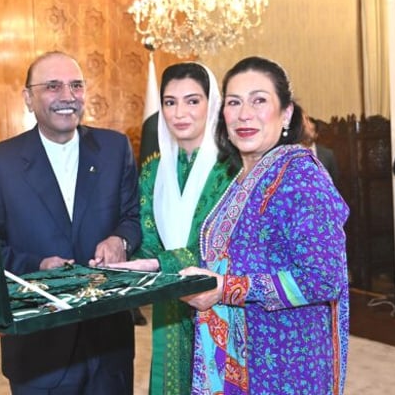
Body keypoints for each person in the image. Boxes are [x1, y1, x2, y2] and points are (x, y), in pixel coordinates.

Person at [179, 56, 349, 394]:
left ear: (286, 113)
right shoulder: (240, 179)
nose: (244, 114)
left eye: (259, 100)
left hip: (287, 366)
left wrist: (226, 288)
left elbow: (323, 279)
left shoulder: (301, 177)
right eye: (234, 102)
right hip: (241, 358)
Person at [0, 51, 141, 394]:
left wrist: (120, 241)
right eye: (52, 86)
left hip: (108, 343)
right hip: (39, 346)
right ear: (28, 98)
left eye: (76, 85)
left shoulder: (115, 148)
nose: (67, 96)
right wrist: (37, 265)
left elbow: (131, 217)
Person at [99, 62, 235, 394]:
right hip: (167, 304)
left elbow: (228, 247)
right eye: (170, 102)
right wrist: (117, 252)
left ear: (212, 104)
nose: (179, 112)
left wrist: (162, 263)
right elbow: (147, 242)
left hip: (221, 303)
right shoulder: (153, 171)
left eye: (192, 101)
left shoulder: (232, 169)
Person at [301, 109, 339, 184]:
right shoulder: (293, 153)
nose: (308, 134)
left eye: (311, 130)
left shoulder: (328, 154)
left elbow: (335, 180)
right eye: (305, 130)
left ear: (316, 135)